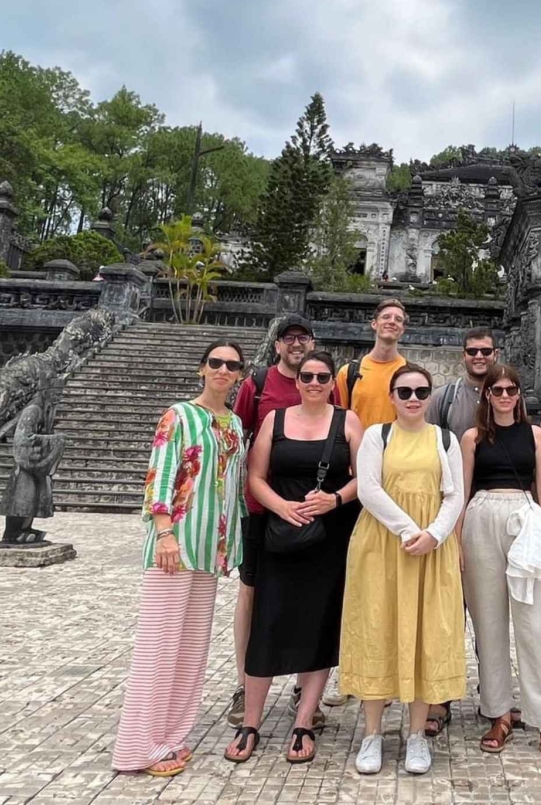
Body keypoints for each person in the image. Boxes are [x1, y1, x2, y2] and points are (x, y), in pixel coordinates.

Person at [112, 341, 246, 778]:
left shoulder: (235, 423)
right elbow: (161, 475)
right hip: (176, 544)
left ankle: (170, 736)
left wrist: (231, 546)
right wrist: (164, 530)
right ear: (201, 369)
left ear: (240, 374)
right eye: (216, 363)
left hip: (209, 549)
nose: (223, 370)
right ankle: (136, 747)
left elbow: (232, 487)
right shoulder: (180, 415)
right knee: (158, 646)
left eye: (232, 365)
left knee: (190, 649)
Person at [226, 351, 363, 765]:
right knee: (268, 622)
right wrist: (280, 506)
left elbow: (366, 476)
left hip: (330, 533)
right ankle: (251, 721)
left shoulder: (348, 421)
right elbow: (255, 475)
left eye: (323, 376)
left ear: (331, 383)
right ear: (298, 380)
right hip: (281, 533)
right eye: (308, 376)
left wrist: (334, 498)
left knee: (319, 623)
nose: (315, 382)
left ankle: (304, 720)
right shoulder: (276, 420)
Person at [339, 363, 467, 776]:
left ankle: (415, 735)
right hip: (382, 545)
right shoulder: (378, 435)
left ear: (430, 397)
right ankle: (373, 733)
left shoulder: (444, 439)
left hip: (431, 549)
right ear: (392, 396)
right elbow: (369, 487)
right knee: (378, 628)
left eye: (421, 391)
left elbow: (455, 495)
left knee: (425, 633)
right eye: (405, 391)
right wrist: (410, 529)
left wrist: (434, 534)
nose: (413, 398)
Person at [461, 364, 541, 770]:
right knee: (489, 622)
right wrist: (458, 546)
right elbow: (462, 493)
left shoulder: (535, 435)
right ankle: (498, 711)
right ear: (486, 394)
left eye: (510, 389)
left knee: (532, 621)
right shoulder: (472, 437)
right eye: (496, 389)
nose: (503, 395)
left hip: (524, 517)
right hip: (481, 517)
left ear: (519, 394)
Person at [226, 315, 339, 726]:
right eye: (289, 338)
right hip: (261, 511)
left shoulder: (327, 383)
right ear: (277, 346)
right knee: (252, 595)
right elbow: (236, 443)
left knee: (312, 599)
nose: (297, 344)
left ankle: (301, 689)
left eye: (304, 338)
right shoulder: (257, 385)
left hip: (313, 511)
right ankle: (244, 683)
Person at [421, 326, 498, 737]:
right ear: (463, 355)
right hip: (452, 512)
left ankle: (494, 694)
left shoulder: (506, 393)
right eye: (472, 351)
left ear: (495, 352)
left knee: (490, 609)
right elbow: (428, 446)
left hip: (495, 513)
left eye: (485, 351)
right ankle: (441, 697)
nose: (479, 357)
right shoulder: (446, 398)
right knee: (449, 612)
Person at [337, 299, 410, 429]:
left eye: (398, 319)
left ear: (403, 329)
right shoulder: (348, 373)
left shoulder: (410, 374)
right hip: (358, 447)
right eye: (386, 317)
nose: (392, 322)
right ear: (374, 324)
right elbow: (339, 420)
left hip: (397, 447)